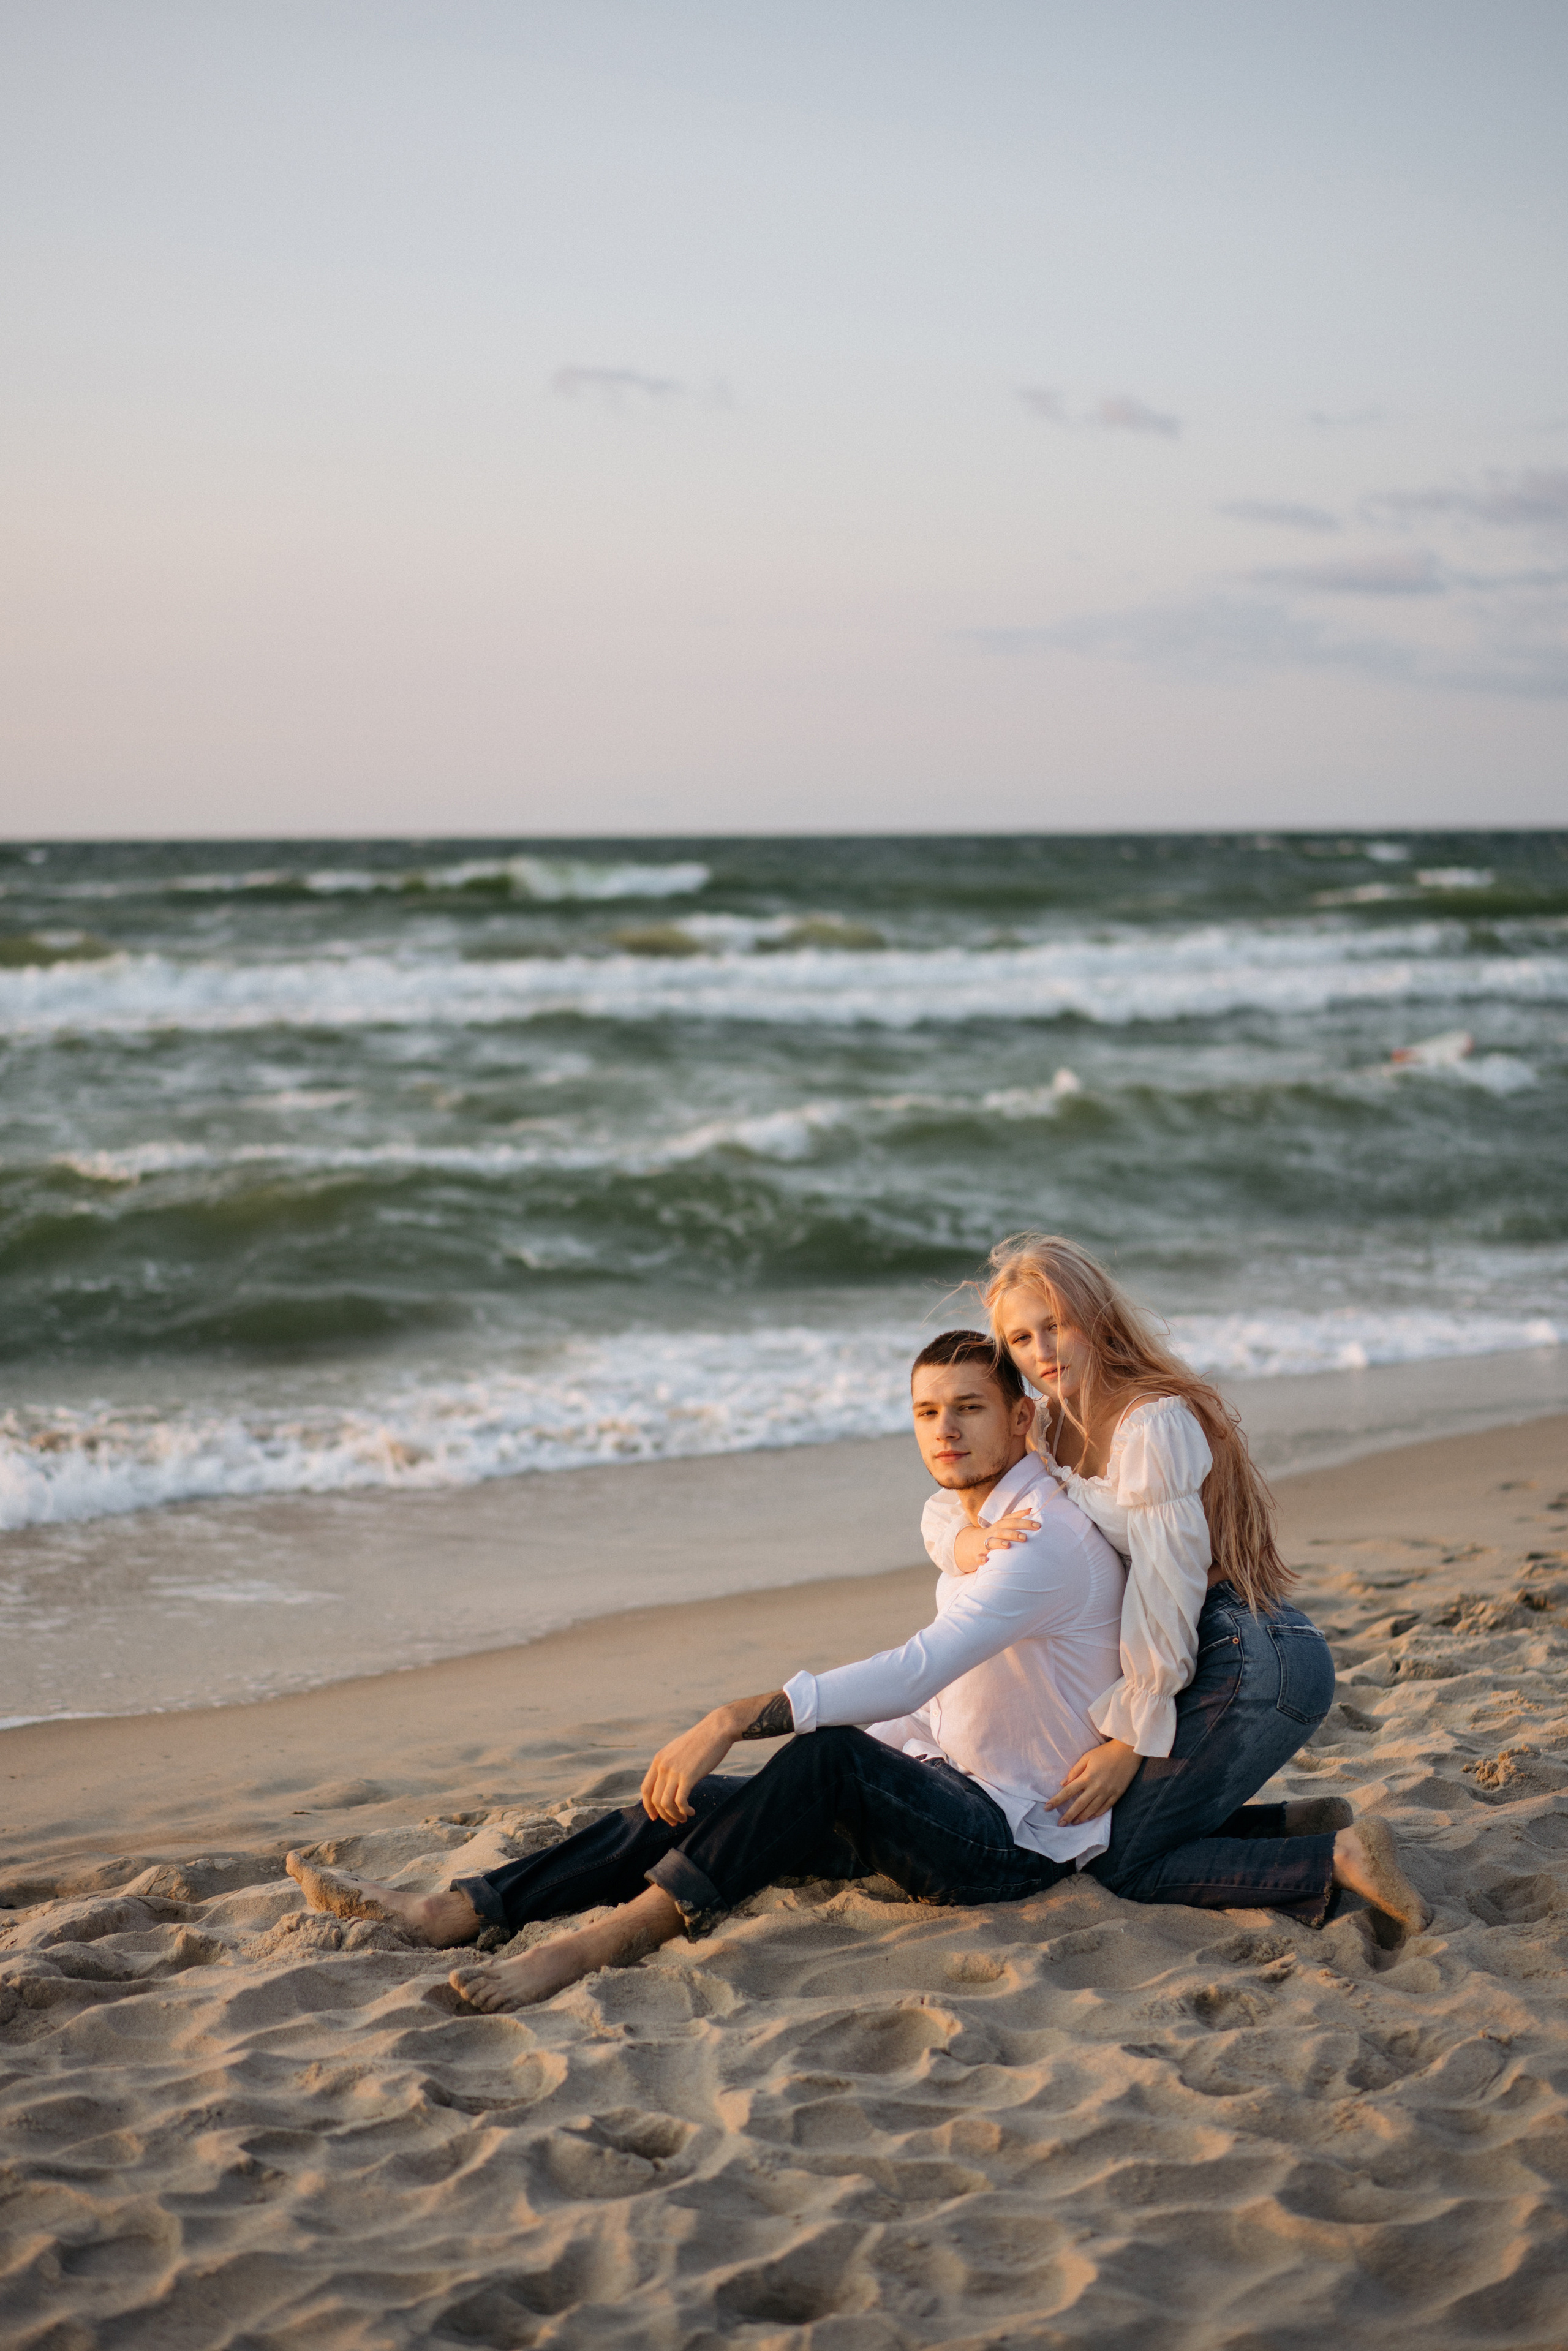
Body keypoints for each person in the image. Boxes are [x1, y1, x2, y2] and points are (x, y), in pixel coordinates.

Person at [287, 1325, 1428, 2011]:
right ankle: (459, 1907)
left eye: (971, 1410)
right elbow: (942, 1695)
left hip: (1011, 1840)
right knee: (689, 1802)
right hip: (951, 1789)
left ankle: (610, 1938)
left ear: (1023, 1422)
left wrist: (736, 1708)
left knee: (818, 1753)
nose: (946, 1431)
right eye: (928, 1412)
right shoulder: (982, 1519)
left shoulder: (1044, 1546)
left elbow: (920, 1662)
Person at [924, 1231, 1430, 1931]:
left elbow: (1167, 1586)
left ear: (1095, 1318)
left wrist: (1129, 1740)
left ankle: (1335, 1857)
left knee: (1118, 1862)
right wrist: (967, 1538)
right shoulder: (1039, 1425)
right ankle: (1290, 1827)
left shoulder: (1151, 1421)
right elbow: (949, 1500)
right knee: (1104, 1840)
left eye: (1055, 1325)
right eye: (1019, 1338)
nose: (1041, 1351)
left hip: (1247, 1651)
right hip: (1214, 1655)